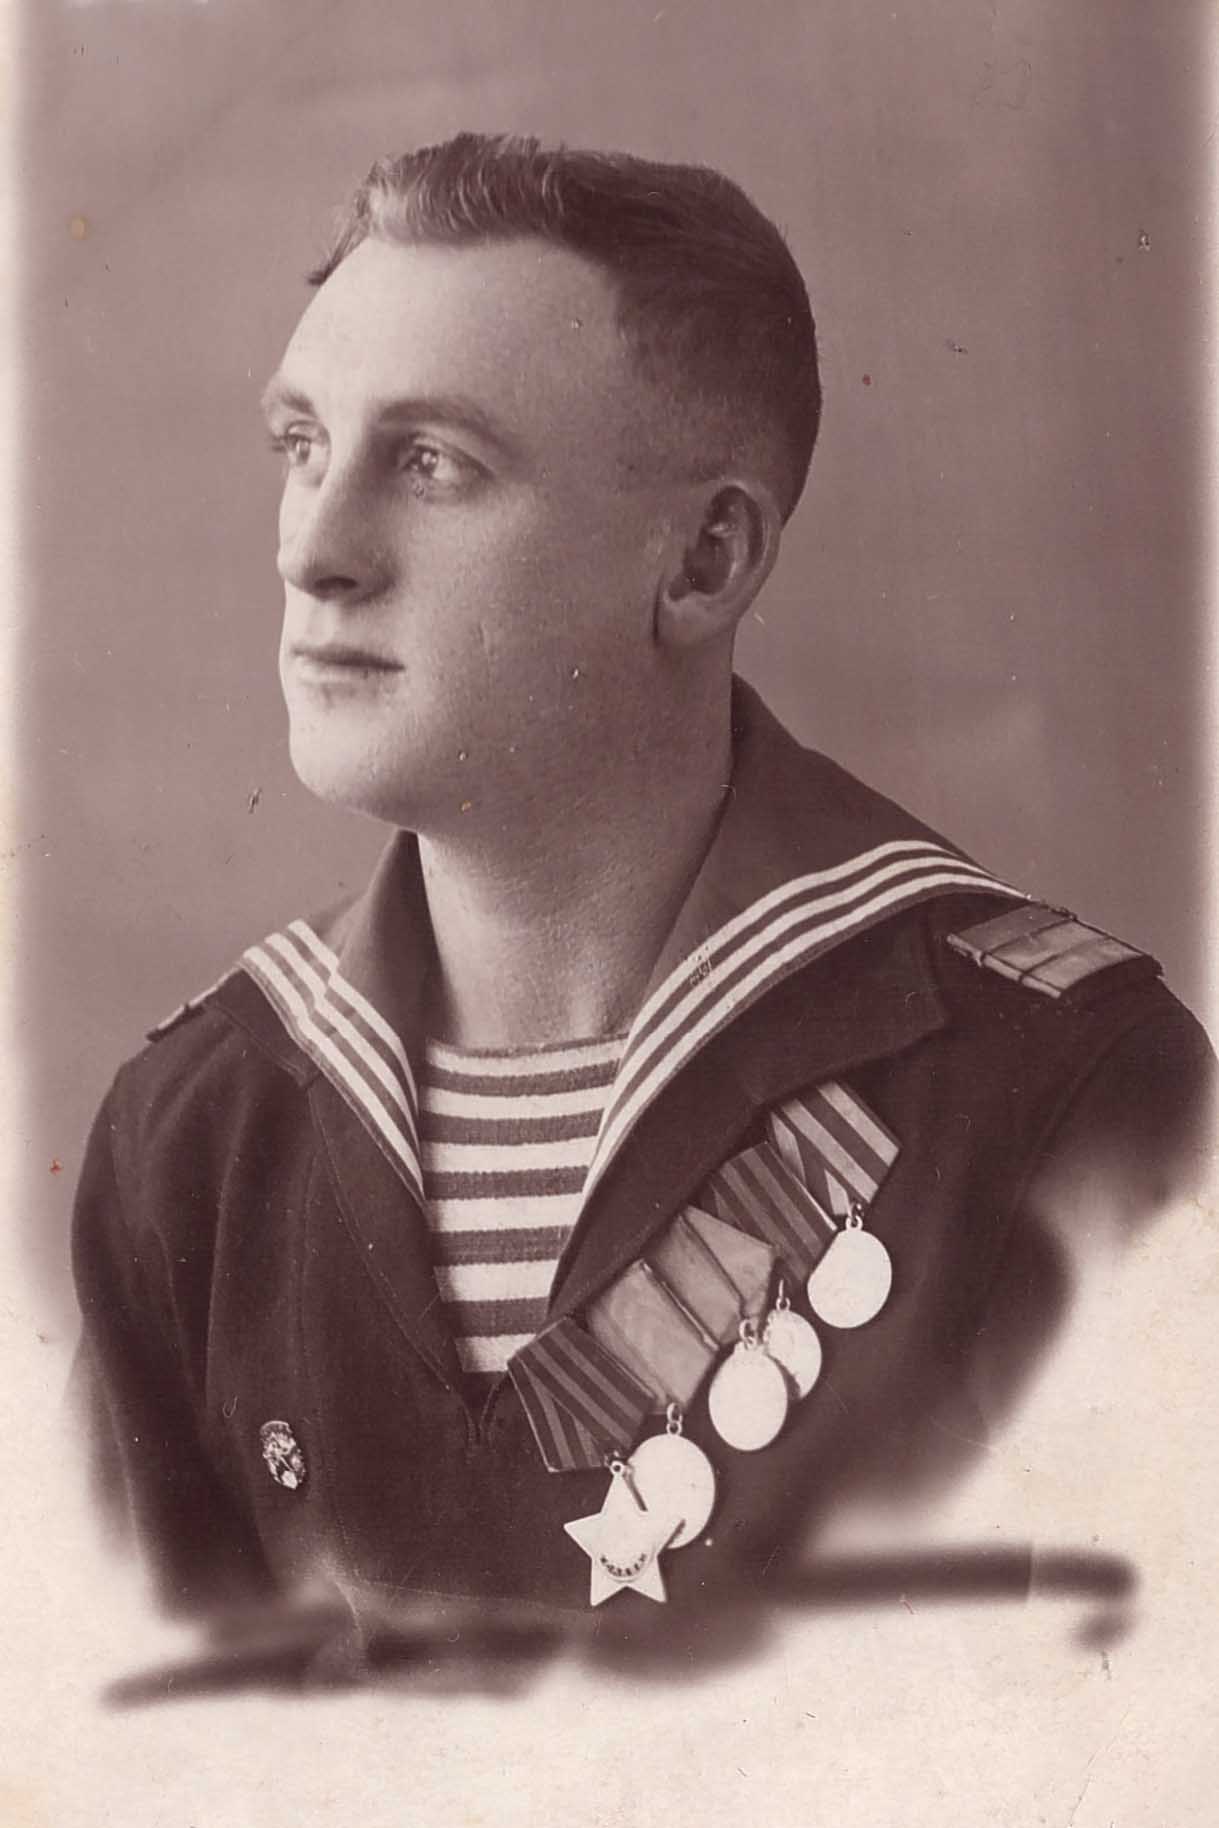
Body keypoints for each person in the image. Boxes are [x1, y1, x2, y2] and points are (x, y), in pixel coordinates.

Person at [71, 133, 1212, 1681]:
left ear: (705, 559)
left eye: (433, 463)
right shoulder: (198, 1139)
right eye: (302, 445)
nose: (315, 552)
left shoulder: (1056, 1097)